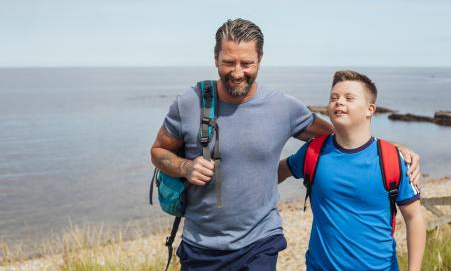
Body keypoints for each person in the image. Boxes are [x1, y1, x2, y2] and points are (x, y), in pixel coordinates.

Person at [150, 19, 421, 271]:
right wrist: (185, 166)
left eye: (247, 63)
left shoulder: (283, 107)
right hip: (201, 243)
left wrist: (388, 148)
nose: (237, 72)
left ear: (260, 60)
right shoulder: (190, 101)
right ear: (215, 59)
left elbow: (341, 136)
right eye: (228, 62)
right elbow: (158, 152)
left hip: (261, 240)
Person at [278, 70, 426, 271]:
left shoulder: (393, 159)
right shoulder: (313, 151)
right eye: (334, 97)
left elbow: (414, 217)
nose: (339, 102)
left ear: (370, 109)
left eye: (349, 98)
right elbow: (278, 172)